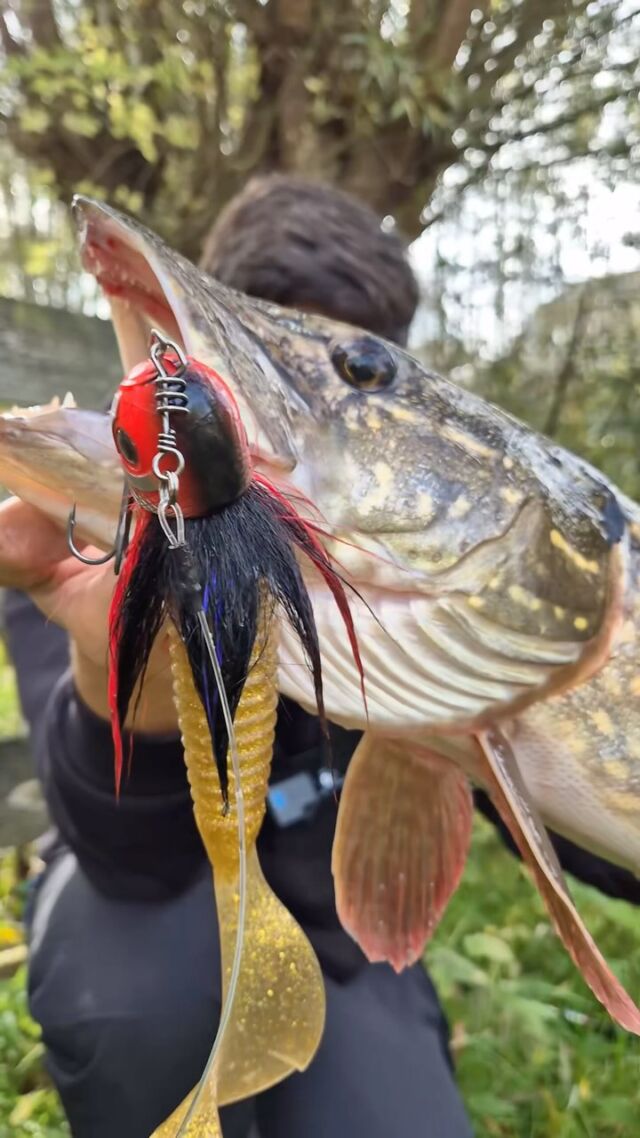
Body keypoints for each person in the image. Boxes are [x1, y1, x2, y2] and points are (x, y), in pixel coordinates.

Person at [3, 175, 639, 1138]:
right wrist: (128, 664)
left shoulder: (485, 639)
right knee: (134, 996)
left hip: (337, 942)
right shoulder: (89, 529)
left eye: (361, 372)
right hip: (138, 909)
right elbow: (121, 854)